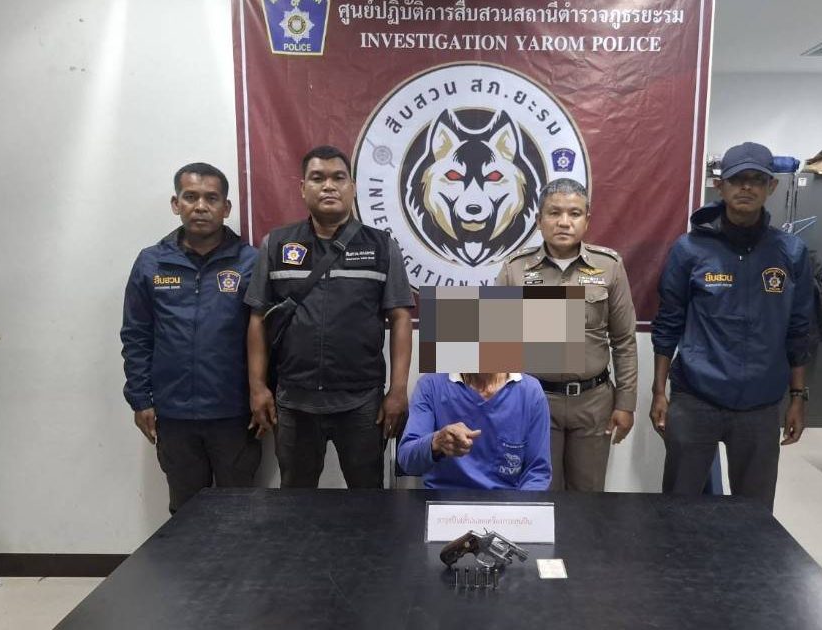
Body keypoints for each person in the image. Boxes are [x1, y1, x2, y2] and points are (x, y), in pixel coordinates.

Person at [650, 142, 814, 510]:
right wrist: (659, 391)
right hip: (696, 397)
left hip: (761, 404)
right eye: (738, 179)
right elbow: (668, 324)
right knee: (678, 510)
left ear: (772, 187)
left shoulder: (791, 252)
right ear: (720, 185)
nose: (747, 187)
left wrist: (798, 397)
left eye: (757, 179)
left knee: (753, 516)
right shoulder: (689, 250)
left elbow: (800, 330)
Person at [244, 145, 413, 489]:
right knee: (296, 501)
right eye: (317, 178)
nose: (329, 186)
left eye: (338, 178)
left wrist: (397, 390)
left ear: (353, 187)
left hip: (361, 403)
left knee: (367, 499)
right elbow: (258, 318)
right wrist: (257, 387)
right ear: (302, 188)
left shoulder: (382, 246)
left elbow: (400, 319)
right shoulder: (276, 245)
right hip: (295, 401)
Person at [121, 162, 260, 514]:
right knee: (185, 514)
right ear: (176, 203)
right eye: (190, 197)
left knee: (239, 512)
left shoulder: (251, 262)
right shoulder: (151, 263)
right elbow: (136, 335)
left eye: (211, 198)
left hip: (234, 413)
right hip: (174, 413)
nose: (200, 206)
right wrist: (140, 399)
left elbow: (268, 338)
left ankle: (237, 556)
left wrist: (263, 395)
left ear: (226, 207)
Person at [495, 179, 637, 492]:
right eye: (554, 213)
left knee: (588, 497)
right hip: (536, 399)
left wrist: (626, 404)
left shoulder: (609, 267)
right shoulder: (514, 269)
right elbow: (494, 345)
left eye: (574, 213)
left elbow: (624, 341)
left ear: (587, 220)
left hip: (593, 401)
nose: (563, 222)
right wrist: (500, 404)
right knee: (538, 493)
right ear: (538, 220)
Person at [397, 373, 551, 490]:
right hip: (445, 506)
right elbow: (406, 459)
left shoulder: (530, 392)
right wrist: (436, 443)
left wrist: (520, 514)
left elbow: (537, 472)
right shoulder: (431, 386)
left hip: (506, 508)